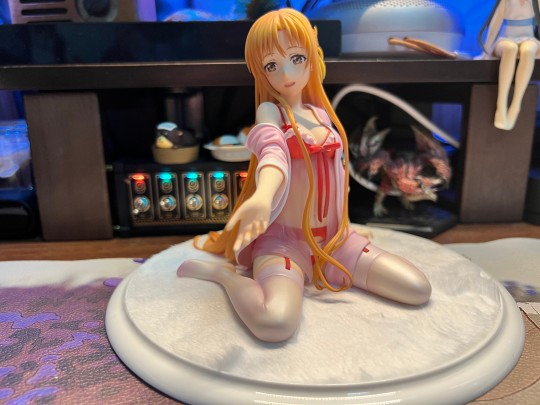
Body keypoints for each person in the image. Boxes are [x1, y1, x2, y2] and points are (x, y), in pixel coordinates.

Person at [178, 8, 431, 342]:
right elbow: (272, 152)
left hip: (334, 241)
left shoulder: (321, 113)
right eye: (271, 65)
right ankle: (226, 277)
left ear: (312, 57)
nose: (286, 73)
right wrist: (263, 196)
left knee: (417, 288)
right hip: (284, 244)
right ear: (261, 72)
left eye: (296, 58)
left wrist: (345, 224)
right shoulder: (271, 112)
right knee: (274, 323)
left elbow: (336, 176)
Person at [479, 0, 540, 130]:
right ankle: (501, 104)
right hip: (506, 38)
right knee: (510, 49)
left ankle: (516, 105)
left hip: (528, 38)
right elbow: (496, 22)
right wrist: (486, 50)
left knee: (528, 51)